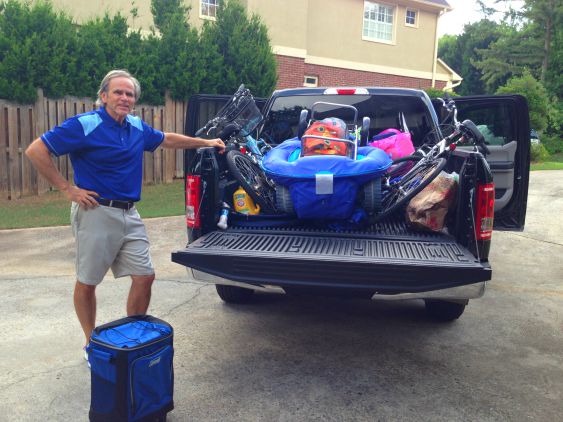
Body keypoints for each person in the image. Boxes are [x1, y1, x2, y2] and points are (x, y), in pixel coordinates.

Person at [25, 69, 225, 359]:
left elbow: (166, 139)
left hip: (130, 214)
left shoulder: (135, 126)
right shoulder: (85, 124)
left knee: (145, 276)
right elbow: (36, 151)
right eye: (118, 92)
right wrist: (68, 189)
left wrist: (205, 142)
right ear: (103, 96)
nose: (124, 97)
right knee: (88, 280)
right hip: (95, 213)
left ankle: (132, 337)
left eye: (129, 94)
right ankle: (91, 343)